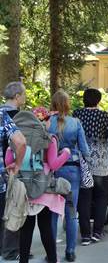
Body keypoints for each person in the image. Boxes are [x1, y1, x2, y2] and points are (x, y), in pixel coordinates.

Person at [7, 109, 70, 263]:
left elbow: (9, 161)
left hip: (23, 188)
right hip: (44, 189)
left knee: (26, 229)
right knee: (45, 227)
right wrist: (66, 153)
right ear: (44, 121)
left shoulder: (17, 138)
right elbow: (54, 164)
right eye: (49, 120)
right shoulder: (48, 138)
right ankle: (53, 260)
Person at [48, 90, 90, 262]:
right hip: (72, 170)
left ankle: (51, 251)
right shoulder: (75, 122)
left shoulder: (46, 122)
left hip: (52, 171)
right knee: (71, 212)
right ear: (67, 103)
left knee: (51, 212)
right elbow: (85, 150)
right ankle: (70, 251)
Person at [73, 88, 108, 246]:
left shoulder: (77, 114)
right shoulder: (104, 115)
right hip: (101, 160)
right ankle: (97, 231)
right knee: (101, 196)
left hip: (82, 160)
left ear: (84, 99)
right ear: (98, 100)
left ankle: (85, 235)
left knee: (84, 197)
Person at [0, 82, 27, 260]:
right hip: (3, 174)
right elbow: (21, 142)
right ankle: (9, 251)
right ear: (17, 96)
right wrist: (17, 164)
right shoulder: (3, 116)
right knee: (9, 211)